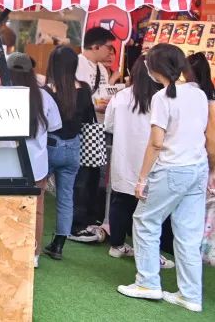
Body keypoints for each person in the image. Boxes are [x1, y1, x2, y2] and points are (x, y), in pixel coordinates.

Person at [118, 44, 215, 312]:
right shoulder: (199, 93)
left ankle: (148, 282)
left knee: (145, 221)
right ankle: (190, 295)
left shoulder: (162, 98)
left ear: (153, 68)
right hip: (197, 168)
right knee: (188, 233)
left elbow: (156, 143)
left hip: (172, 168)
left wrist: (141, 178)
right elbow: (207, 136)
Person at [103, 56, 175, 269]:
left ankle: (117, 245)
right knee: (150, 212)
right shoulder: (161, 99)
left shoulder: (120, 97)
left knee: (120, 202)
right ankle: (149, 255)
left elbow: (108, 125)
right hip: (151, 162)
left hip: (123, 159)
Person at [0, 54, 61, 267]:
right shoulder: (44, 96)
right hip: (37, 163)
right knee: (36, 210)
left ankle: (7, 249)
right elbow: (55, 126)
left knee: (8, 207)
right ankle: (33, 254)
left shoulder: (2, 95)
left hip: (8, 161)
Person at [42, 46, 93, 261]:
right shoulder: (85, 89)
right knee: (66, 197)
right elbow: (89, 119)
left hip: (50, 146)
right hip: (74, 147)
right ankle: (59, 244)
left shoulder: (47, 91)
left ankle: (32, 240)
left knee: (38, 195)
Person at [69, 26, 120, 243]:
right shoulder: (76, 64)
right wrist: (93, 105)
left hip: (97, 127)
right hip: (80, 127)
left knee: (93, 174)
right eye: (109, 47)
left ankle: (88, 219)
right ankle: (76, 223)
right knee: (81, 176)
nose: (110, 53)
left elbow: (102, 94)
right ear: (96, 46)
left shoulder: (102, 69)